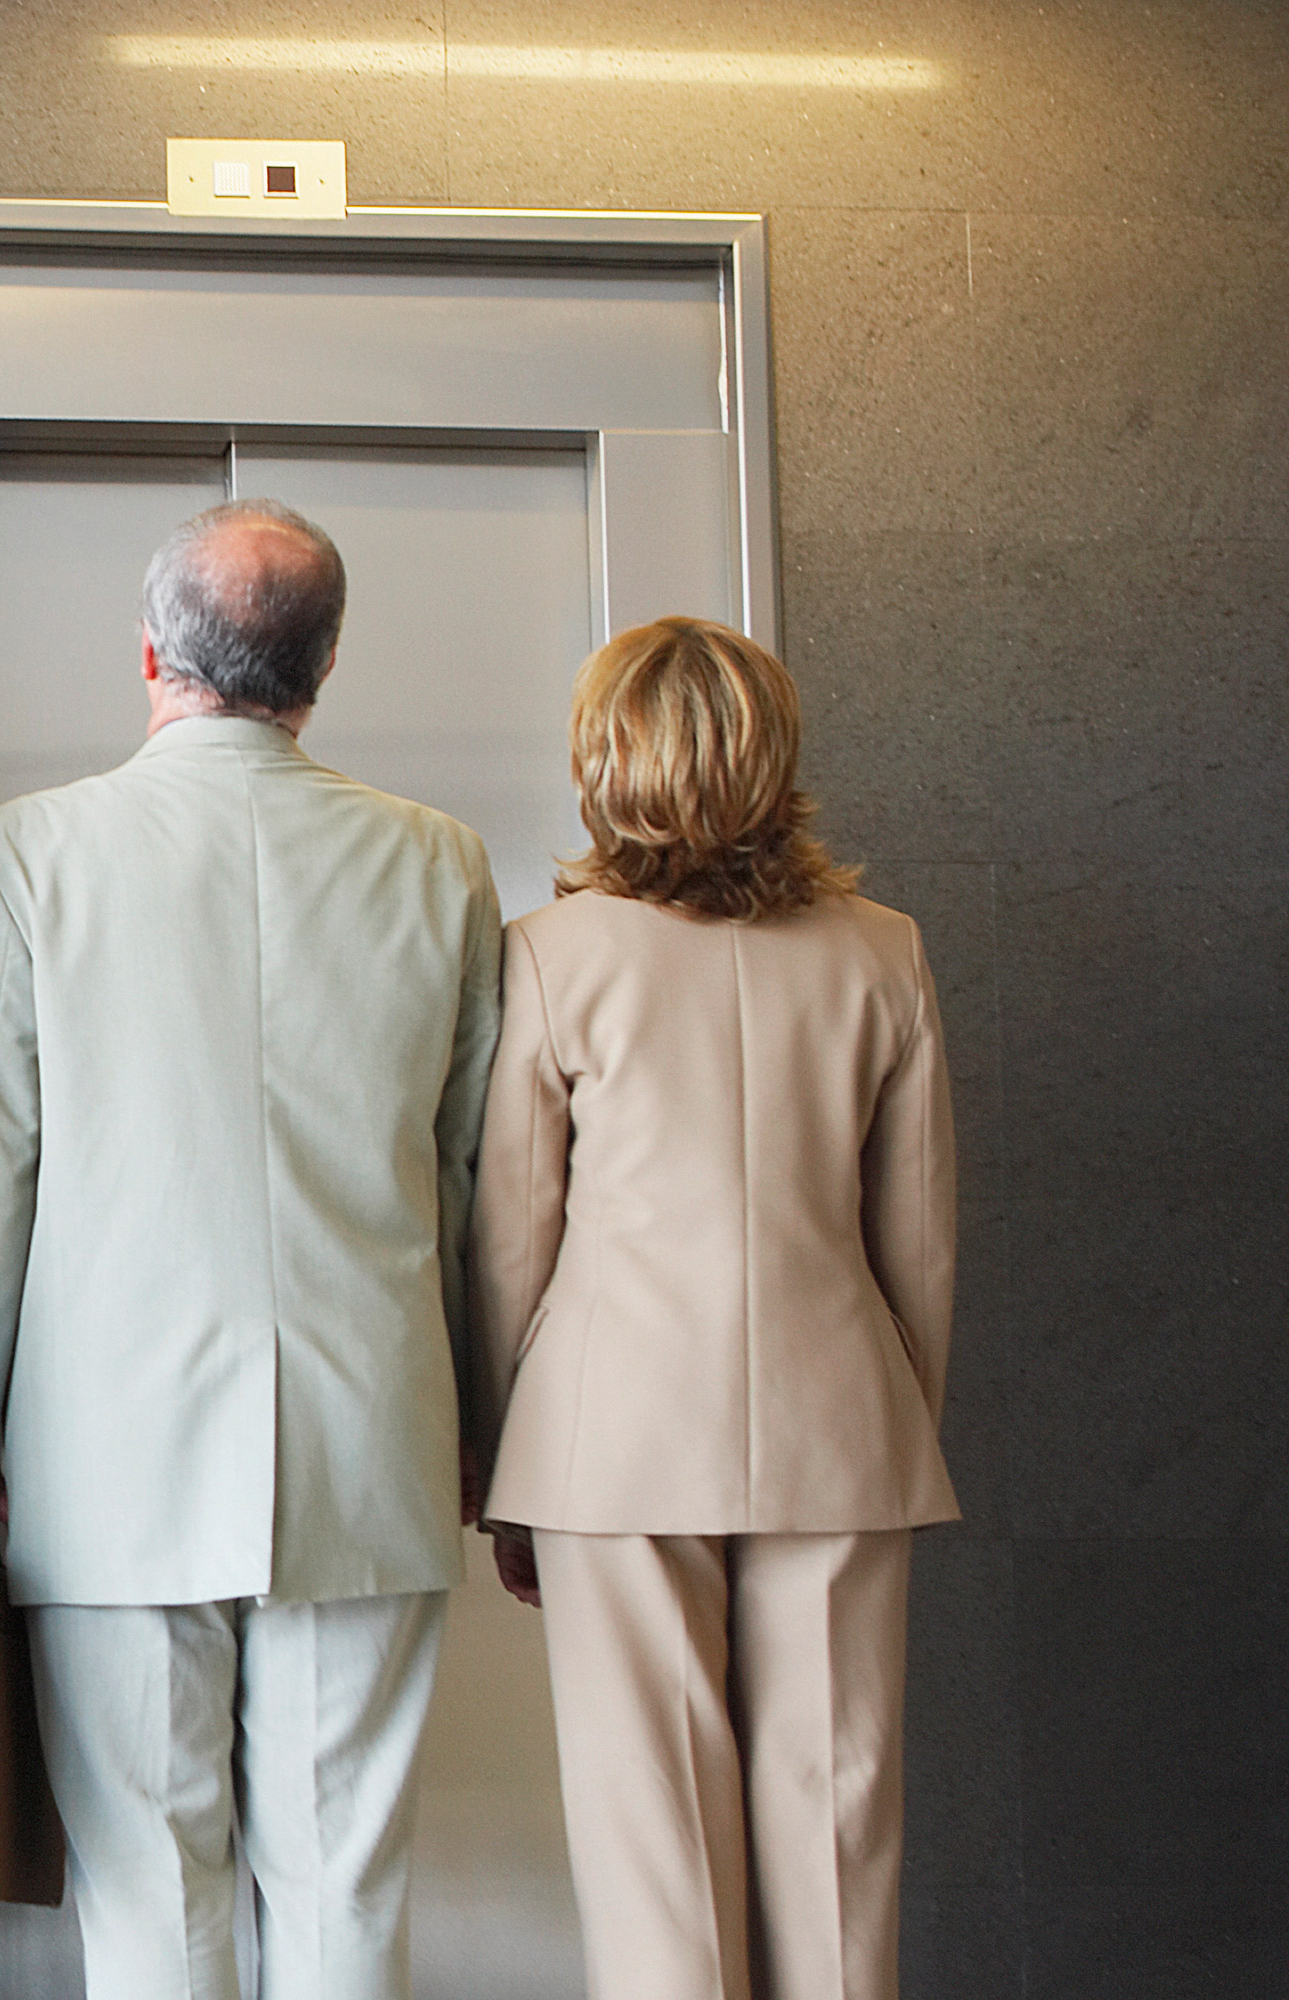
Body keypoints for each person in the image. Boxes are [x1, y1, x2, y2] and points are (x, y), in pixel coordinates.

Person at [0, 499, 501, 2000]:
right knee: (344, 1898)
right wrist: (477, 1426)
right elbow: (464, 1178)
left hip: (110, 1448)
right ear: (322, 671)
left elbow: (3, 1170)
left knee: (149, 1900)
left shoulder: (24, 856)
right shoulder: (440, 865)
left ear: (147, 654)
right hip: (367, 1437)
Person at [469, 614, 957, 2000]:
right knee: (840, 1831)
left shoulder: (554, 956)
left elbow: (515, 1241)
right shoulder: (885, 955)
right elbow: (918, 1243)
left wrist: (511, 1475)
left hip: (612, 1443)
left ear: (605, 758)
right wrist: (899, 1425)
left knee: (656, 1846)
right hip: (842, 1430)